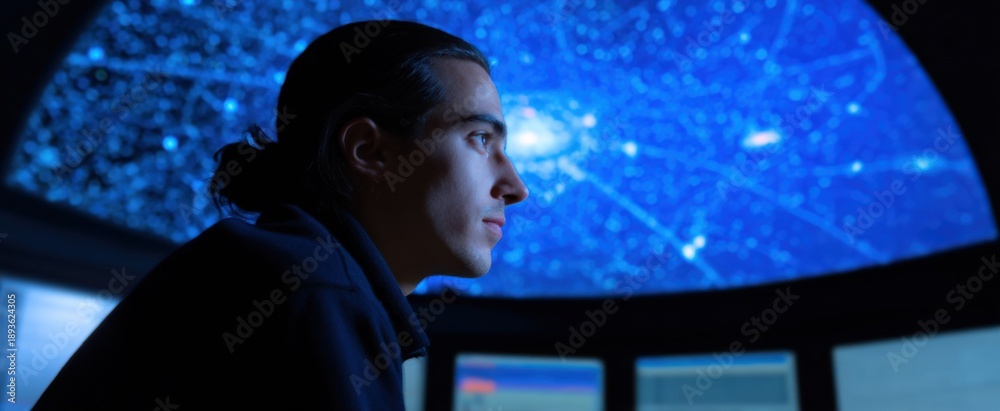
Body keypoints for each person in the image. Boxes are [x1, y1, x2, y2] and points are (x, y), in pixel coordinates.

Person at [34, 19, 529, 410]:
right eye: (480, 139)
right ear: (369, 151)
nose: (516, 188)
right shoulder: (313, 289)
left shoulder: (285, 269)